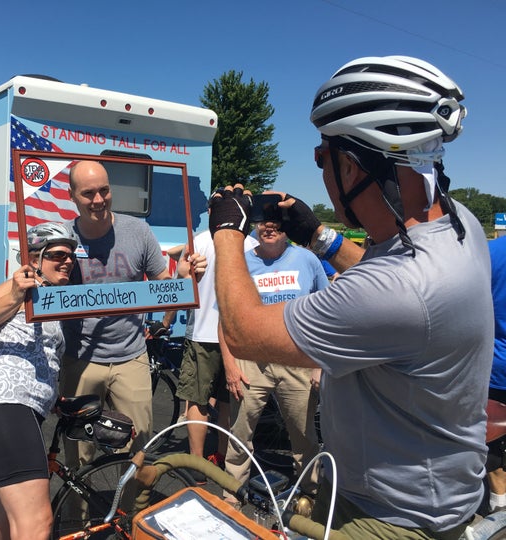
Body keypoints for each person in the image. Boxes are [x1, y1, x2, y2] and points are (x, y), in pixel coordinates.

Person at [208, 56, 493, 538]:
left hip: (387, 516)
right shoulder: (460, 226)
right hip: (432, 495)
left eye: (323, 157)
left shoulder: (399, 292)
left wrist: (226, 231)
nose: (319, 170)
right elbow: (385, 279)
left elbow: (243, 330)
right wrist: (319, 237)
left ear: (353, 163)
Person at [60, 160, 206, 468]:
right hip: (79, 359)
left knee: (136, 451)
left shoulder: (138, 231)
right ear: (72, 195)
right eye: (88, 193)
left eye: (104, 190)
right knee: (78, 454)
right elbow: (44, 289)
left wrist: (182, 277)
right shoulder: (63, 239)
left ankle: (128, 515)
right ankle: (78, 518)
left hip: (131, 357)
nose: (98, 200)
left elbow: (162, 285)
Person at [0, 223, 78, 540]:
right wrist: (14, 293)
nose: (67, 261)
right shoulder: (15, 290)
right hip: (4, 406)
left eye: (71, 255)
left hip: (18, 412)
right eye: (58, 255)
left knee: (2, 527)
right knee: (37, 524)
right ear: (36, 258)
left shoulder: (53, 299)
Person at [222, 207, 328, 502]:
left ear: (287, 227)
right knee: (240, 435)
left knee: (304, 437)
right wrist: (230, 364)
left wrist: (319, 364)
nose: (269, 227)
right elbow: (226, 318)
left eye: (277, 223)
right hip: (251, 363)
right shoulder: (242, 263)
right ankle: (231, 496)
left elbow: (325, 313)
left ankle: (312, 496)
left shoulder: (307, 260)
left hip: (298, 361)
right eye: (263, 222)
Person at [170, 227, 233, 481]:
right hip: (236, 335)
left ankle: (197, 465)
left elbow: (180, 290)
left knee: (197, 400)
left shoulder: (199, 242)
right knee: (229, 401)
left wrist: (165, 322)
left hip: (202, 334)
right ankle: (222, 457)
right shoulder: (248, 242)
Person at [487, 236, 506, 512]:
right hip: (493, 370)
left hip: (492, 369)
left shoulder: (488, 252)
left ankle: (499, 504)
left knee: (490, 443)